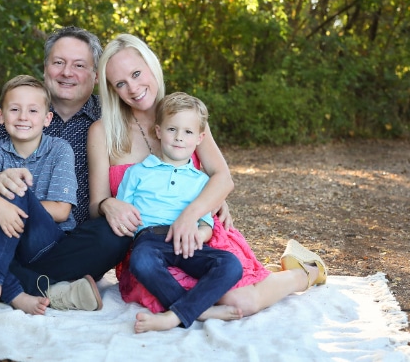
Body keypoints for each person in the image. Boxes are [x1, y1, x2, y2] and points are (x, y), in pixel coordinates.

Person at [87, 33, 327, 321]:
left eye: (137, 74)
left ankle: (304, 272)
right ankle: (195, 311)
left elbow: (222, 177)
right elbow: (96, 205)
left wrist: (193, 213)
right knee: (182, 291)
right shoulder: (103, 132)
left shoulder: (186, 114)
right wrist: (107, 204)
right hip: (148, 246)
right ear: (112, 90)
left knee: (241, 301)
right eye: (120, 83)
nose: (133, 88)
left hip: (200, 234)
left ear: (152, 66)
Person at [0, 26, 130, 314]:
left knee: (115, 234)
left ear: (95, 75)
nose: (67, 72)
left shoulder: (111, 119)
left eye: (79, 65)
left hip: (67, 244)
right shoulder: (10, 112)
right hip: (4, 230)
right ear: (45, 68)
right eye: (58, 62)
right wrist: (2, 184)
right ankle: (50, 290)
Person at [0, 75, 85, 312]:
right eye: (14, 109)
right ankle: (13, 293)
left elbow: (62, 211)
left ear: (47, 119)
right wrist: (0, 206)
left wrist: (16, 202)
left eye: (32, 110)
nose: (23, 117)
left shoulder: (60, 149)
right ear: (0, 116)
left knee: (16, 187)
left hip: (43, 242)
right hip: (5, 236)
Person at [117, 92, 243, 332]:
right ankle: (197, 310)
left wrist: (198, 236)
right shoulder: (137, 172)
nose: (179, 137)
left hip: (189, 242)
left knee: (231, 265)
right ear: (158, 131)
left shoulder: (202, 181)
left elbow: (206, 225)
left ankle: (174, 315)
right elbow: (124, 216)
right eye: (172, 129)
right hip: (150, 239)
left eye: (188, 132)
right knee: (141, 262)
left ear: (199, 138)